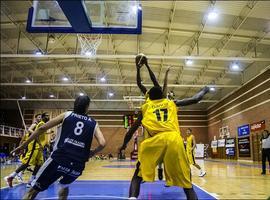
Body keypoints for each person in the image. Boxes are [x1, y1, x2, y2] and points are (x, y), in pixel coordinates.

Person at [119, 86, 209, 200]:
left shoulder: (146, 107)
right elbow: (195, 99)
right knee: (187, 183)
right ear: (162, 96)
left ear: (150, 98)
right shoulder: (171, 103)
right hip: (174, 140)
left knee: (138, 175)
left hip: (155, 141)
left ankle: (132, 197)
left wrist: (123, 145)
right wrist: (205, 90)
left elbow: (131, 131)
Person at [11, 95, 106, 200]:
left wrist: (23, 145)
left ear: (75, 104)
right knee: (64, 185)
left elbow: (42, 128)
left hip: (59, 159)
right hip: (78, 165)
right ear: (87, 107)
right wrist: (92, 152)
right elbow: (102, 143)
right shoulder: (93, 123)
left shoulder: (67, 115)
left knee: (32, 191)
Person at [4, 113, 48, 188]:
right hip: (35, 146)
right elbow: (32, 132)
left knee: (39, 165)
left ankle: (30, 182)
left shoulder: (43, 124)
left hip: (39, 147)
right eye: (39, 117)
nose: (40, 118)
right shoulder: (37, 124)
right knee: (27, 163)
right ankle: (11, 176)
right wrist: (39, 143)